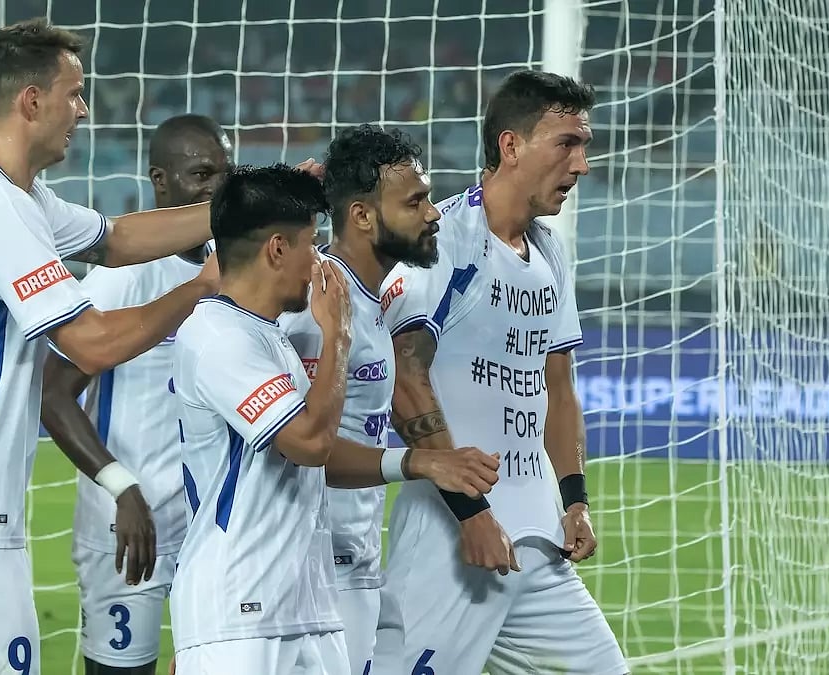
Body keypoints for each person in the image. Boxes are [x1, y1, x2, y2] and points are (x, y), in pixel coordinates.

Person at [0, 18, 259, 674]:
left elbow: (117, 238)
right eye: (74, 93)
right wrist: (204, 286)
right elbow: (92, 344)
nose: (83, 109)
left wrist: (254, 205)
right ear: (31, 102)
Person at [373, 70, 629, 674]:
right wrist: (472, 514)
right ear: (511, 147)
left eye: (584, 145)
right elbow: (405, 377)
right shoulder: (447, 239)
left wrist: (574, 500)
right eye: (567, 142)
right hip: (453, 542)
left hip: (537, 541)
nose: (582, 163)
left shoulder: (549, 251)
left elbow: (556, 385)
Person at [277, 124, 501, 674]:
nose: (432, 214)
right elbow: (294, 447)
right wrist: (423, 461)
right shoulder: (314, 306)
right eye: (416, 201)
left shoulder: (368, 301)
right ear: (361, 215)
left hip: (352, 562)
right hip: (307, 573)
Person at [40, 113, 232, 675]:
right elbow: (54, 396)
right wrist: (121, 488)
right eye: (202, 174)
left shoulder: (235, 274)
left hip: (209, 526)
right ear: (160, 180)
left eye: (225, 174)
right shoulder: (119, 278)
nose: (216, 188)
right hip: (128, 526)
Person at [169, 163, 356, 674]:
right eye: (311, 245)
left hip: (302, 606)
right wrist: (338, 334)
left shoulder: (266, 334)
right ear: (277, 249)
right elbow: (310, 444)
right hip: (237, 613)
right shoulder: (218, 338)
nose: (318, 262)